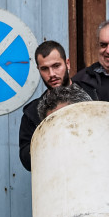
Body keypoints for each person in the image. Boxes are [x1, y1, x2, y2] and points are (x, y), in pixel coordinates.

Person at [18, 40, 73, 172]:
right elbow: (27, 162)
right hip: (53, 183)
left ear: (67, 64)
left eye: (56, 66)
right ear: (39, 70)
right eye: (44, 69)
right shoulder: (32, 113)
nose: (52, 74)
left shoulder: (92, 95)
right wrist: (47, 135)